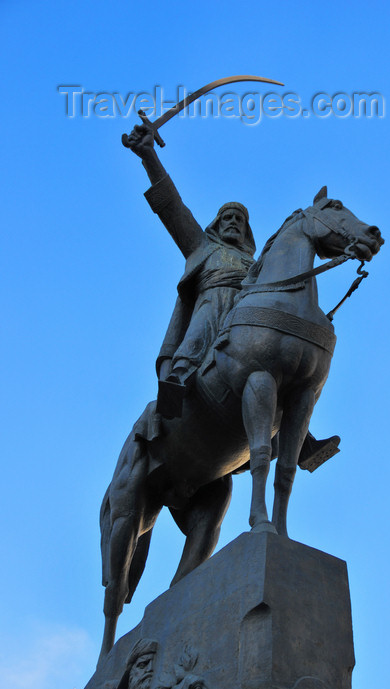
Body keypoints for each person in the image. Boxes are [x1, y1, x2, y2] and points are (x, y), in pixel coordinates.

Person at [125, 123, 339, 465]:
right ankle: (177, 381)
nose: (233, 222)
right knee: (207, 321)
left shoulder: (256, 262)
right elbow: (172, 206)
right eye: (227, 216)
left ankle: (301, 440)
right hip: (214, 305)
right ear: (215, 223)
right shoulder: (201, 246)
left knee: (281, 351)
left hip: (249, 313)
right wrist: (148, 155)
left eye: (239, 218)